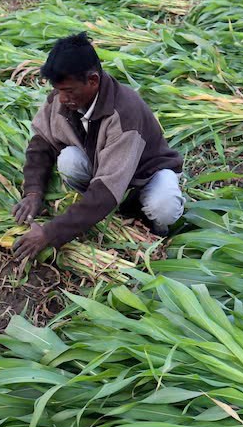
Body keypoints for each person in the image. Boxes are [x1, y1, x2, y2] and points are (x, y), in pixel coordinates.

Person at [12, 33, 185, 261]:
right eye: (58, 90)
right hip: (105, 168)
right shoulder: (63, 99)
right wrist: (33, 192)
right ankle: (96, 210)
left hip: (145, 175)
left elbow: (106, 189)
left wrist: (49, 233)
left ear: (93, 81)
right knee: (69, 160)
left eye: (69, 91)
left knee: (165, 205)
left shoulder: (125, 114)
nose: (62, 99)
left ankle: (156, 235)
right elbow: (42, 143)